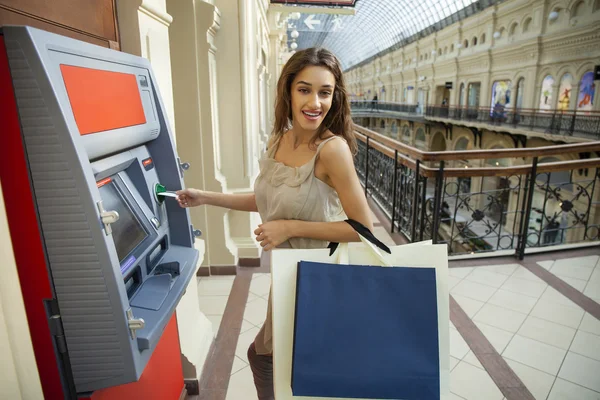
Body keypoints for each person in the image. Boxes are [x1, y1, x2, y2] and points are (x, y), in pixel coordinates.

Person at [176, 47, 372, 400]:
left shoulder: (332, 150)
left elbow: (363, 229)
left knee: (271, 359)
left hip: (315, 276)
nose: (315, 102)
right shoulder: (279, 139)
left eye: (325, 92)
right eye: (304, 89)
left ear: (335, 97)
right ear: (288, 91)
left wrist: (289, 227)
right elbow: (267, 200)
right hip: (285, 274)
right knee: (274, 359)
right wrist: (206, 196)